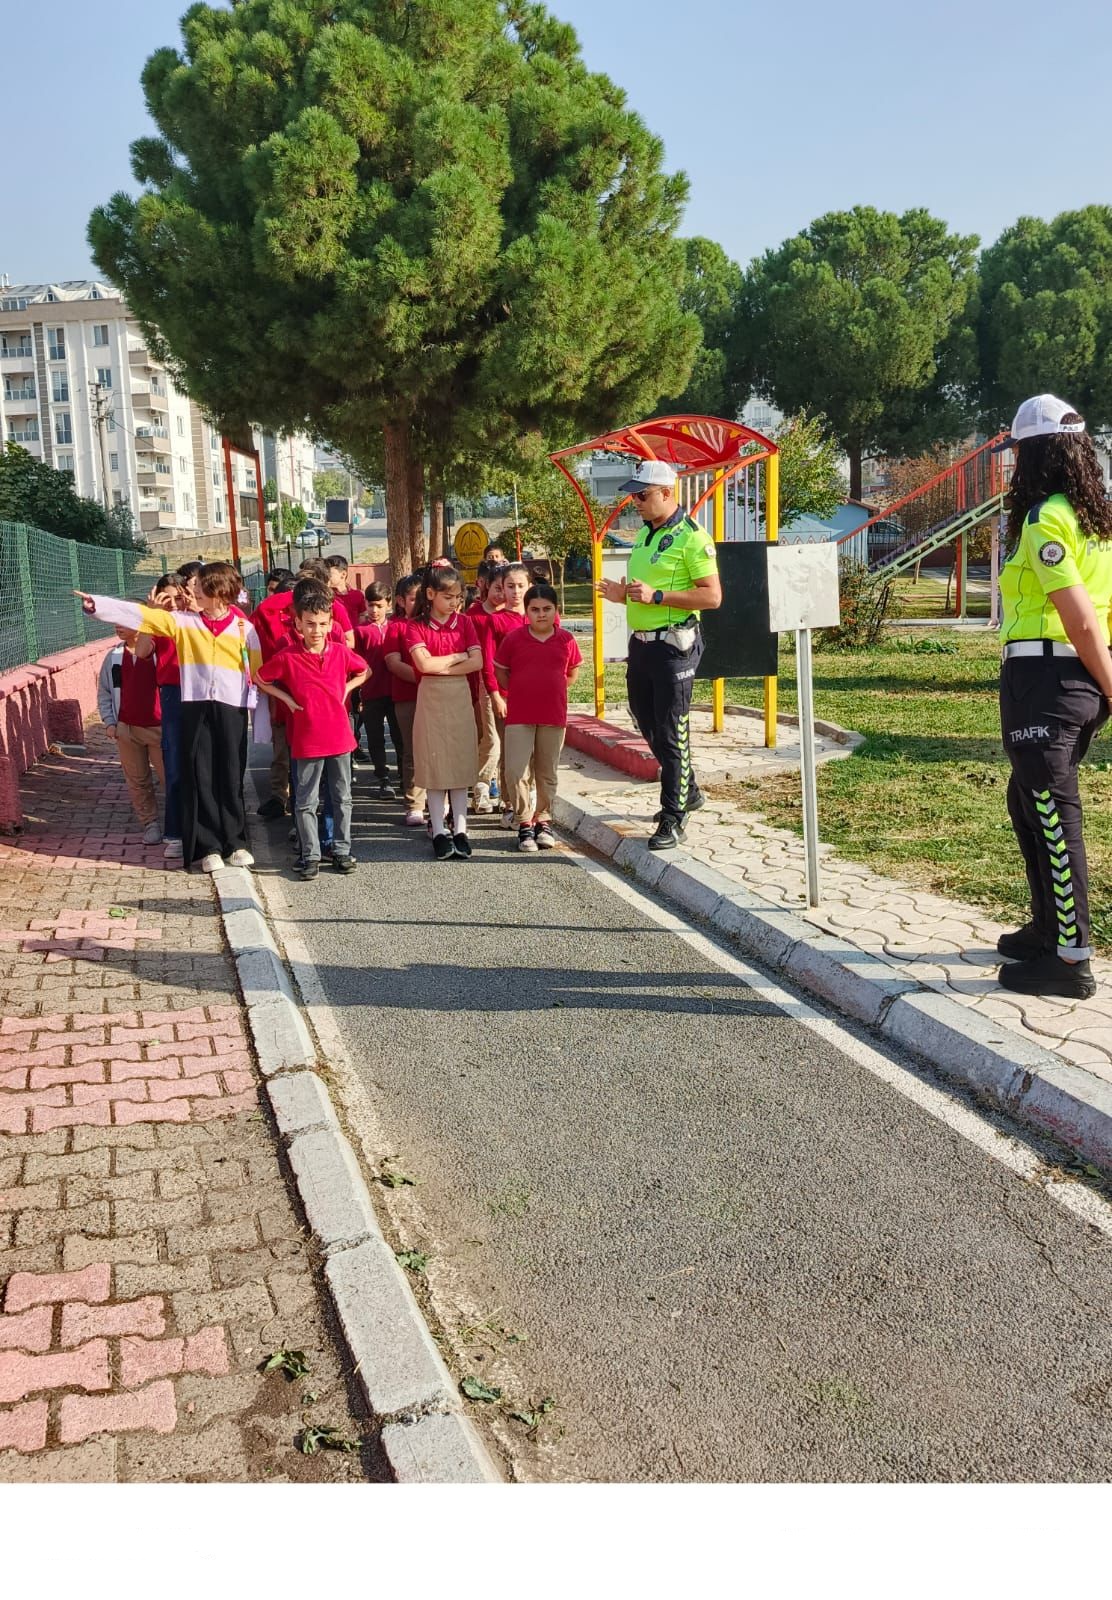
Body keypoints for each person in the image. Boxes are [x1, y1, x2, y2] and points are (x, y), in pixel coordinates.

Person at [993, 394, 1112, 1000]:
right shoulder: (1093, 520)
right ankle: (1048, 927)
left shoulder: (1046, 519)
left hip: (1047, 681)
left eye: (1016, 452)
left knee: (1052, 812)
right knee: (1027, 801)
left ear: (1032, 453)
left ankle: (1069, 958)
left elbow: (1081, 620)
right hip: (1072, 684)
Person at [78, 562, 262, 872]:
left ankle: (235, 842)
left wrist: (262, 714)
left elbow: (256, 673)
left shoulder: (245, 628)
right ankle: (209, 848)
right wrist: (99, 605)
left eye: (201, 586)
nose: (194, 590)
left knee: (230, 775)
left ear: (219, 593)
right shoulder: (182, 623)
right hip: (195, 708)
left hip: (232, 709)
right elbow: (142, 616)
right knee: (200, 776)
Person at [597, 459, 722, 851]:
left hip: (674, 646)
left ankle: (673, 816)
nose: (635, 501)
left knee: (671, 730)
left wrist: (659, 596)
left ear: (668, 492)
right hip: (642, 644)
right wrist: (622, 596)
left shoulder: (692, 537)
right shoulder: (647, 535)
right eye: (633, 495)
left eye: (642, 495)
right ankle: (688, 788)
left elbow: (712, 596)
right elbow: (643, 591)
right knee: (643, 717)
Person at [256, 583, 367, 880]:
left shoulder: (342, 653)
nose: (316, 630)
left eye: (321, 624)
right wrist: (288, 700)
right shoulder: (288, 656)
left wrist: (348, 687)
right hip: (306, 740)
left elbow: (364, 670)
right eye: (309, 624)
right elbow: (260, 678)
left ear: (331, 624)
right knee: (306, 801)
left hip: (340, 737)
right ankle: (310, 855)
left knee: (342, 797)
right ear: (298, 623)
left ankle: (342, 850)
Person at [495, 583, 582, 853]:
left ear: (556, 610)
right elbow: (502, 673)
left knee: (547, 772)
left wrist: (551, 689)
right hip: (519, 715)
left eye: (547, 609)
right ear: (526, 611)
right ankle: (524, 823)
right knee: (516, 770)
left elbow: (572, 674)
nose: (541, 615)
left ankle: (543, 820)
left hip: (553, 715)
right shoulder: (514, 639)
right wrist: (522, 691)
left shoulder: (566, 640)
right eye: (535, 609)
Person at [407, 565, 482, 859]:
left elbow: (477, 662)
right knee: (435, 764)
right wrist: (457, 656)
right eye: (447, 596)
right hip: (431, 699)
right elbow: (423, 666)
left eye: (457, 597)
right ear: (430, 594)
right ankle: (438, 829)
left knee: (460, 764)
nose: (453, 602)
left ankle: (461, 829)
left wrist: (443, 663)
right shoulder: (416, 626)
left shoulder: (464, 623)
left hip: (459, 697)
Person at [133, 574, 188, 860]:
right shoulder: (157, 622)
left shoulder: (195, 617)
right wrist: (152, 615)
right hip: (173, 693)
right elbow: (142, 651)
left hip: (203, 691)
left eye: (178, 598)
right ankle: (177, 833)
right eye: (167, 599)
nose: (174, 604)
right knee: (175, 764)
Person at [96, 625, 165, 846]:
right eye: (115, 622)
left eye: (124, 621)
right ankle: (150, 823)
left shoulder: (158, 652)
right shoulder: (114, 656)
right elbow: (105, 690)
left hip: (159, 728)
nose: (118, 627)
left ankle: (179, 822)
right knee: (137, 780)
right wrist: (110, 721)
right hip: (126, 728)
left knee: (169, 777)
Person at [480, 562, 529, 826]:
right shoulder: (495, 621)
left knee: (531, 754)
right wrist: (496, 695)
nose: (516, 592)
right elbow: (488, 662)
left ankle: (528, 803)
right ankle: (509, 805)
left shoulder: (540, 616)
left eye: (521, 586)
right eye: (510, 586)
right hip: (505, 695)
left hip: (533, 697)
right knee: (510, 752)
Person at [384, 574, 426, 827]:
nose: (419, 603)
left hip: (436, 696)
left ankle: (439, 798)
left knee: (436, 750)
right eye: (413, 599)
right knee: (412, 750)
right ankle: (414, 802)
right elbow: (393, 663)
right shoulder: (396, 627)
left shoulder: (430, 625)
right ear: (401, 601)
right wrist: (425, 677)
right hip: (407, 697)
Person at [352, 582, 400, 796]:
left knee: (399, 735)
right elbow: (357, 663)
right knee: (375, 737)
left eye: (379, 605)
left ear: (388, 604)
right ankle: (382, 776)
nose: (374, 610)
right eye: (371, 605)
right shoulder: (360, 631)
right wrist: (360, 692)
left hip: (396, 691)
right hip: (371, 692)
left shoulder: (397, 627)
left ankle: (405, 775)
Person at [468, 562, 506, 813]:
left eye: (509, 588)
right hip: (482, 681)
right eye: (498, 587)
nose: (502, 593)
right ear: (486, 586)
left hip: (511, 684)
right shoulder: (474, 614)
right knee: (489, 738)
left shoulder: (518, 614)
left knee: (507, 741)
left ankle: (506, 793)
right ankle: (481, 787)